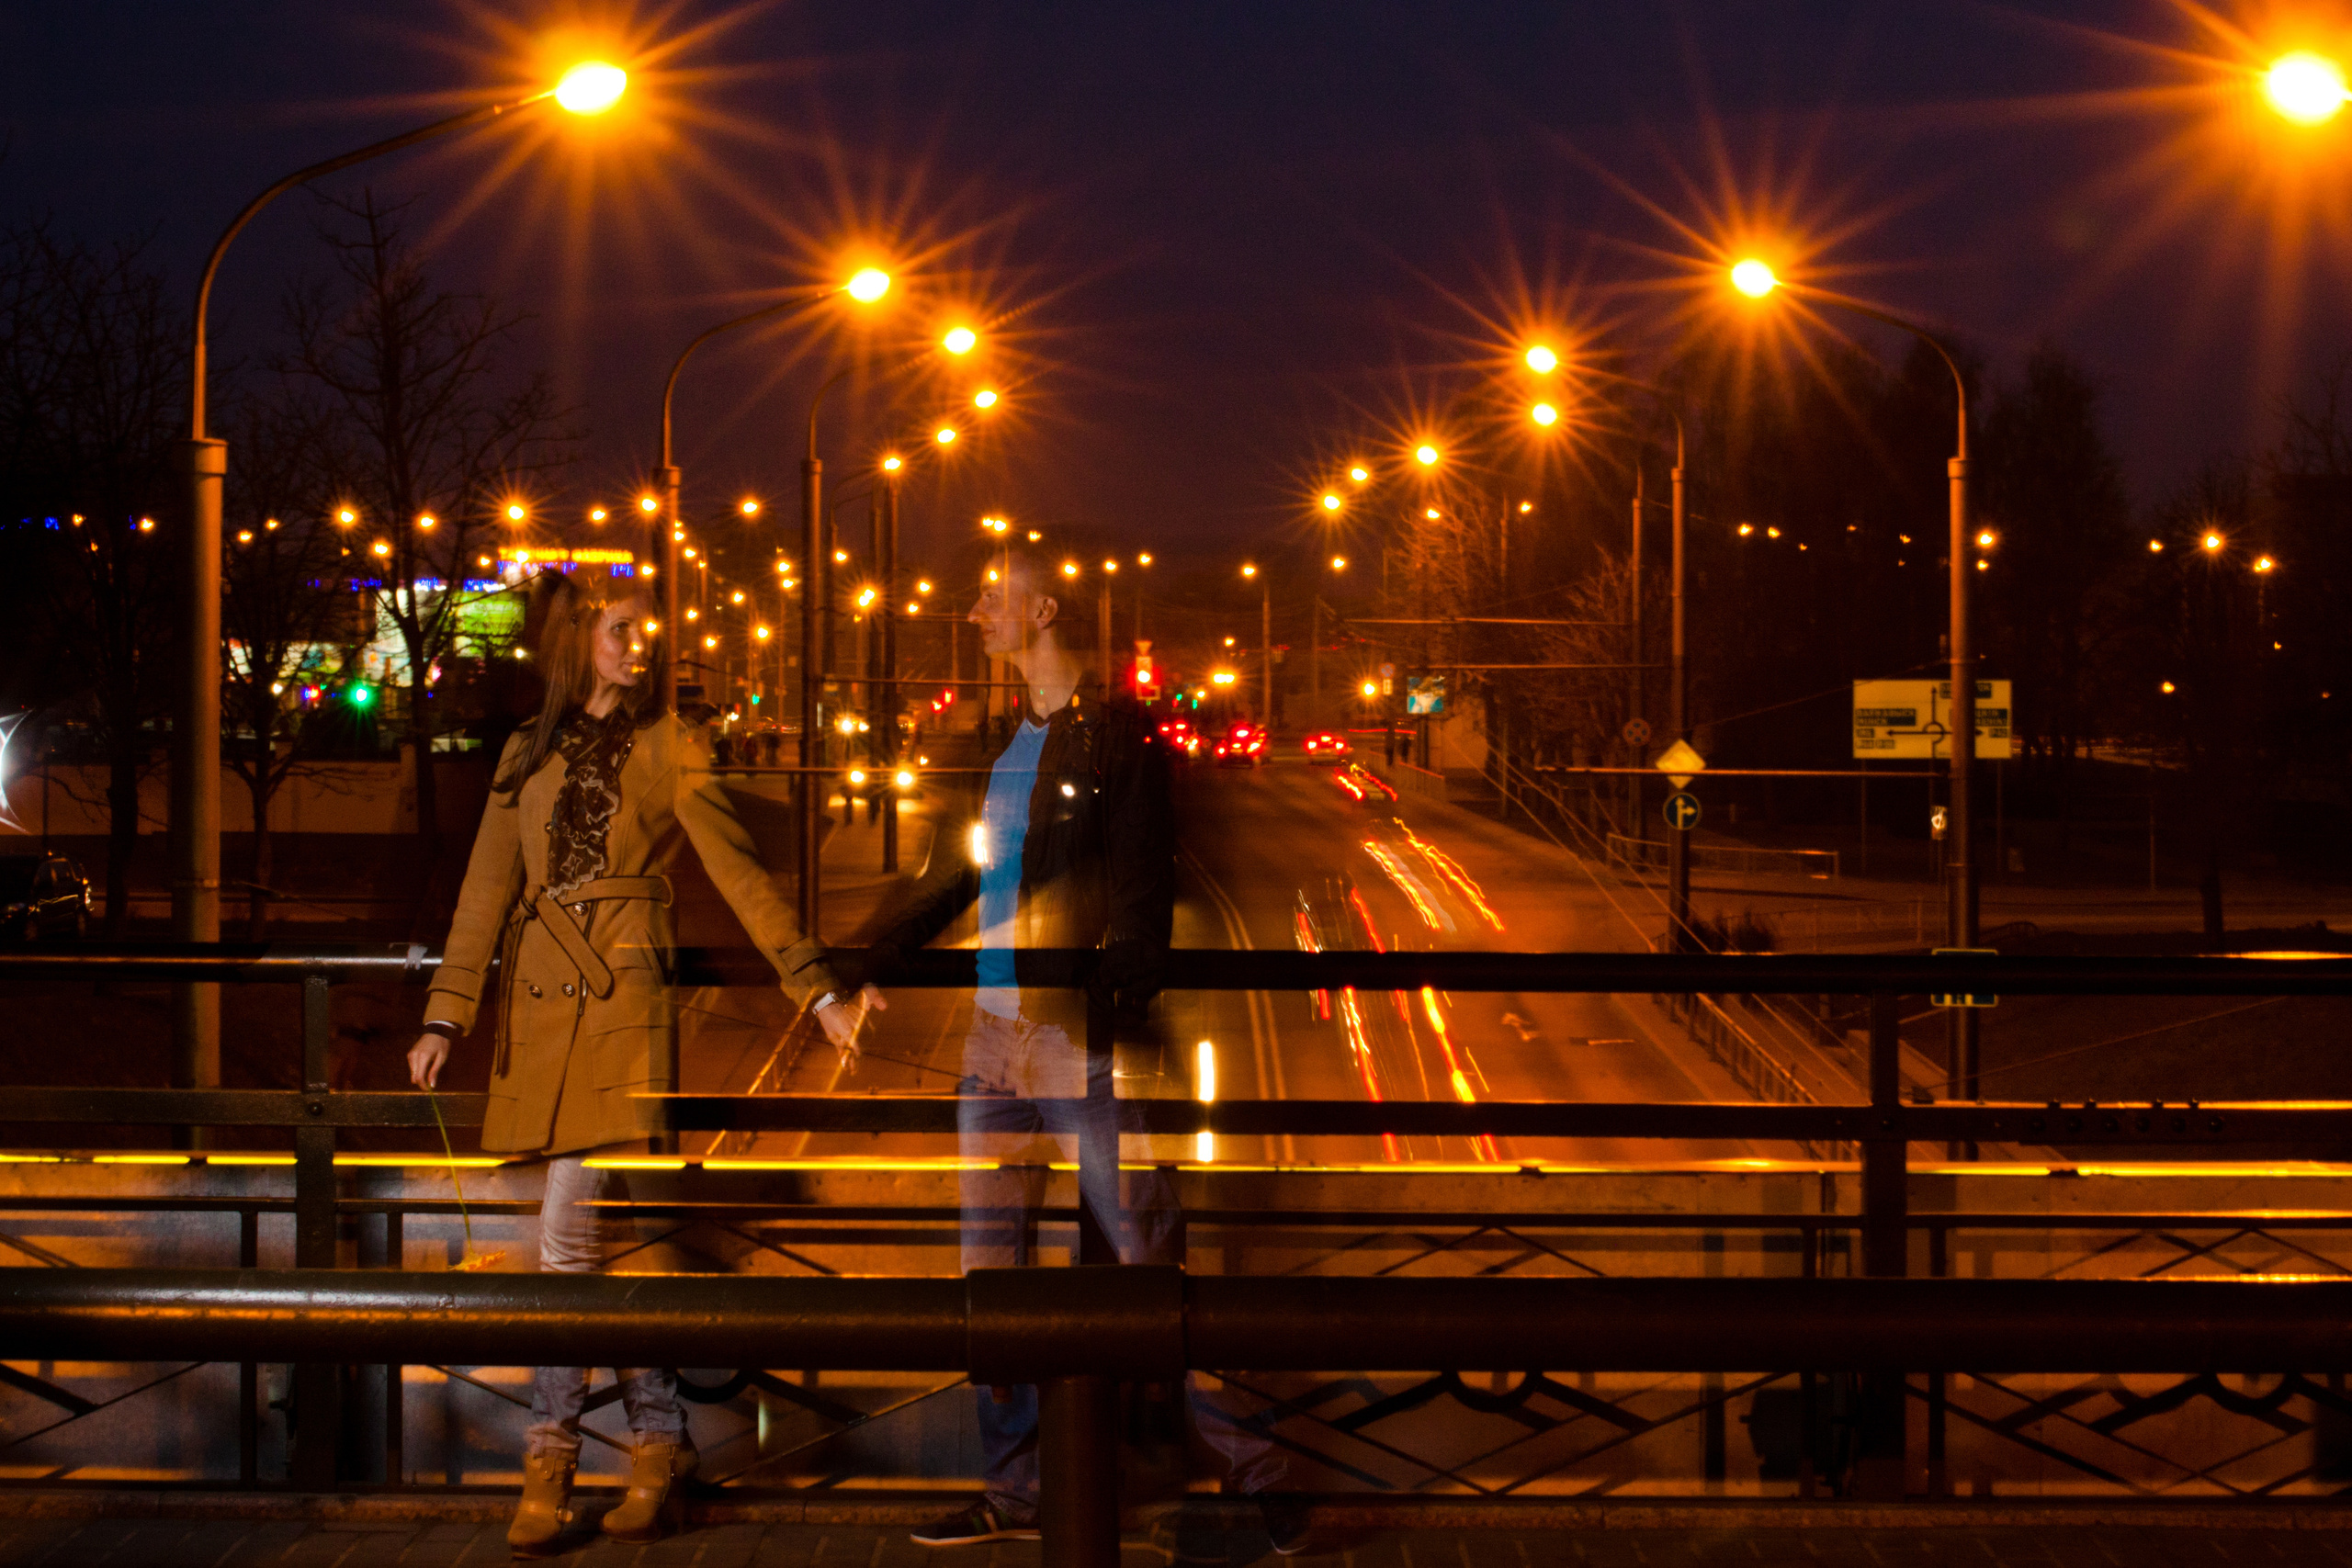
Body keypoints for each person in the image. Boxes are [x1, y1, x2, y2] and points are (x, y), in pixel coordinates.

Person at [404, 571, 874, 1558]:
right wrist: (446, 1017)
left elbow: (739, 872)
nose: (641, 645)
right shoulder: (522, 752)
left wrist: (814, 984)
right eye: (621, 631)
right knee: (603, 1250)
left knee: (566, 1239)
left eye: (643, 631)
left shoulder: (671, 747)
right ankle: (658, 1444)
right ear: (576, 643)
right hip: (538, 1013)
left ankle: (550, 1458)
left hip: (624, 1008)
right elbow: (484, 895)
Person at [840, 539, 1295, 1551]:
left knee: (1149, 1265)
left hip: (1077, 1047)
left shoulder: (1118, 737)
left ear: (1042, 611)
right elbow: (960, 880)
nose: (974, 618)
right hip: (990, 1043)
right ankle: (1016, 1494)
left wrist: (1117, 989)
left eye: (988, 601)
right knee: (992, 1287)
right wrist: (869, 957)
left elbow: (1141, 892)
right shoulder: (1003, 742)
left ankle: (1260, 1476)